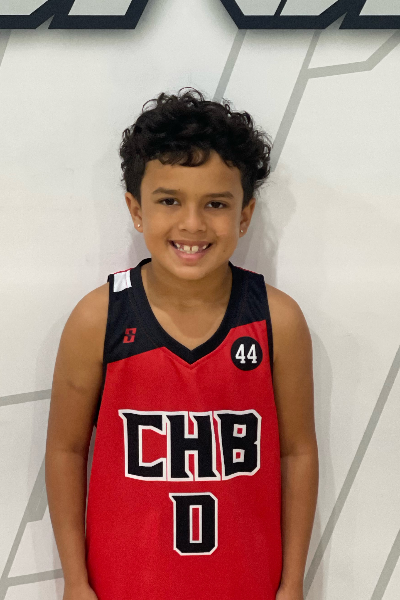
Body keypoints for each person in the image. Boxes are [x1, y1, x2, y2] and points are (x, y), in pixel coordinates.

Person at [45, 88, 318, 600]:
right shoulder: (98, 318)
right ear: (136, 209)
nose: (193, 223)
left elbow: (297, 452)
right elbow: (66, 449)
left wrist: (292, 582)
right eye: (169, 200)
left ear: (244, 214)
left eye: (216, 204)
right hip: (123, 587)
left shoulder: (277, 320)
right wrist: (75, 582)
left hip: (247, 585)